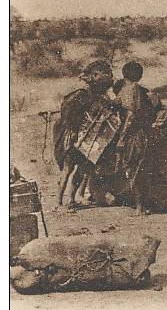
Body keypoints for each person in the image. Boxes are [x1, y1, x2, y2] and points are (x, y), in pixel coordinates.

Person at [54, 60, 114, 208]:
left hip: (87, 138)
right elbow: (68, 114)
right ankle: (59, 201)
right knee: (68, 169)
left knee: (81, 170)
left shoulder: (99, 95)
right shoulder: (80, 94)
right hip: (74, 136)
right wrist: (74, 130)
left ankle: (71, 199)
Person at [114, 61, 157, 215]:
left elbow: (130, 116)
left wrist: (122, 139)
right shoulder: (132, 89)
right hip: (141, 133)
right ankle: (140, 205)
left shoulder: (131, 89)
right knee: (137, 168)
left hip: (134, 134)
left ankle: (140, 207)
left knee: (136, 168)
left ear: (124, 73)